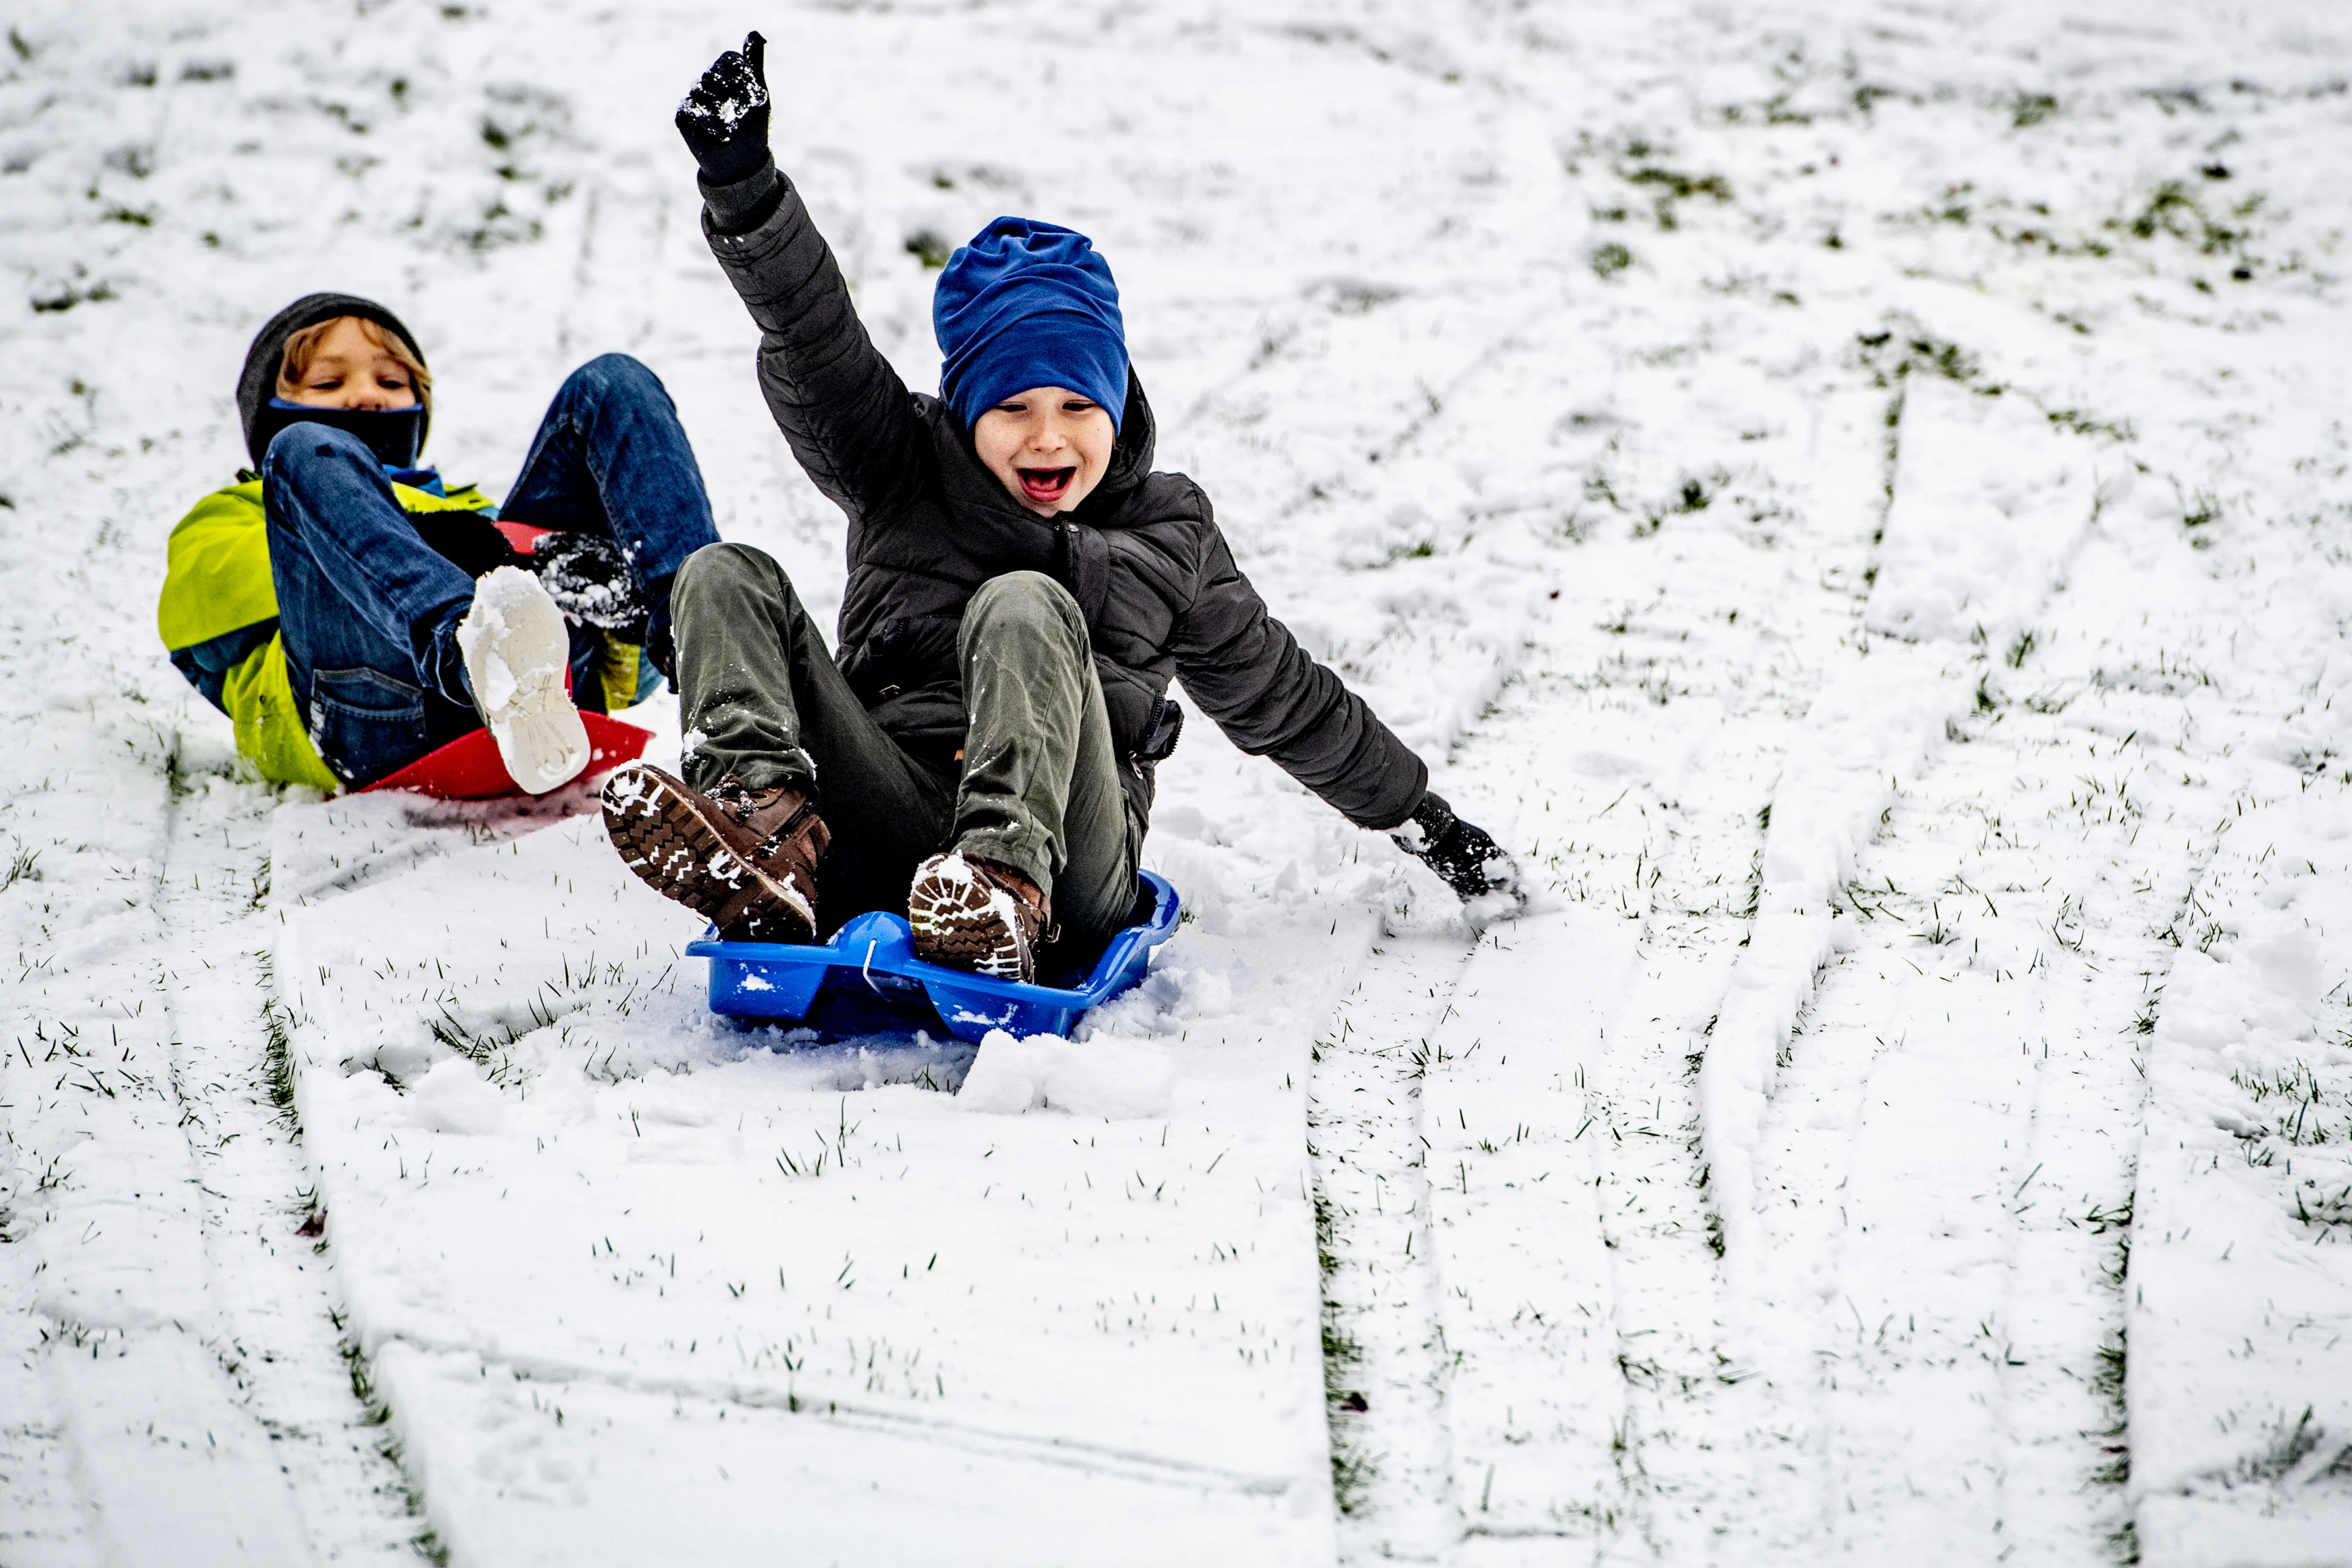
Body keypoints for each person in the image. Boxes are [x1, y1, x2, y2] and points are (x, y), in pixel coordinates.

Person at [600, 33, 1522, 982]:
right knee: (724, 575)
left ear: (1117, 407)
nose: (1049, 439)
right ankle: (764, 838)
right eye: (1013, 410)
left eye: (1079, 407)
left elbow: (1290, 702)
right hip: (890, 813)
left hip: (1071, 871)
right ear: (966, 412)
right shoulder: (901, 467)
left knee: (1026, 602)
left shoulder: (1172, 538)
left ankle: (1000, 885)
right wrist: (745, 186)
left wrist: (1430, 824)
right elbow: (813, 335)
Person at [157, 294, 722, 794]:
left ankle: (708, 647)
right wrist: (465, 556)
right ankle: (474, 651)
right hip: (370, 713)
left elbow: (618, 687)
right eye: (330, 383)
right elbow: (200, 627)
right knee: (308, 449)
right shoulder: (240, 511)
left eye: (391, 381)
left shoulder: (474, 515)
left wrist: (614, 616)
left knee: (611, 384)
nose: (365, 396)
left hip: (547, 714)